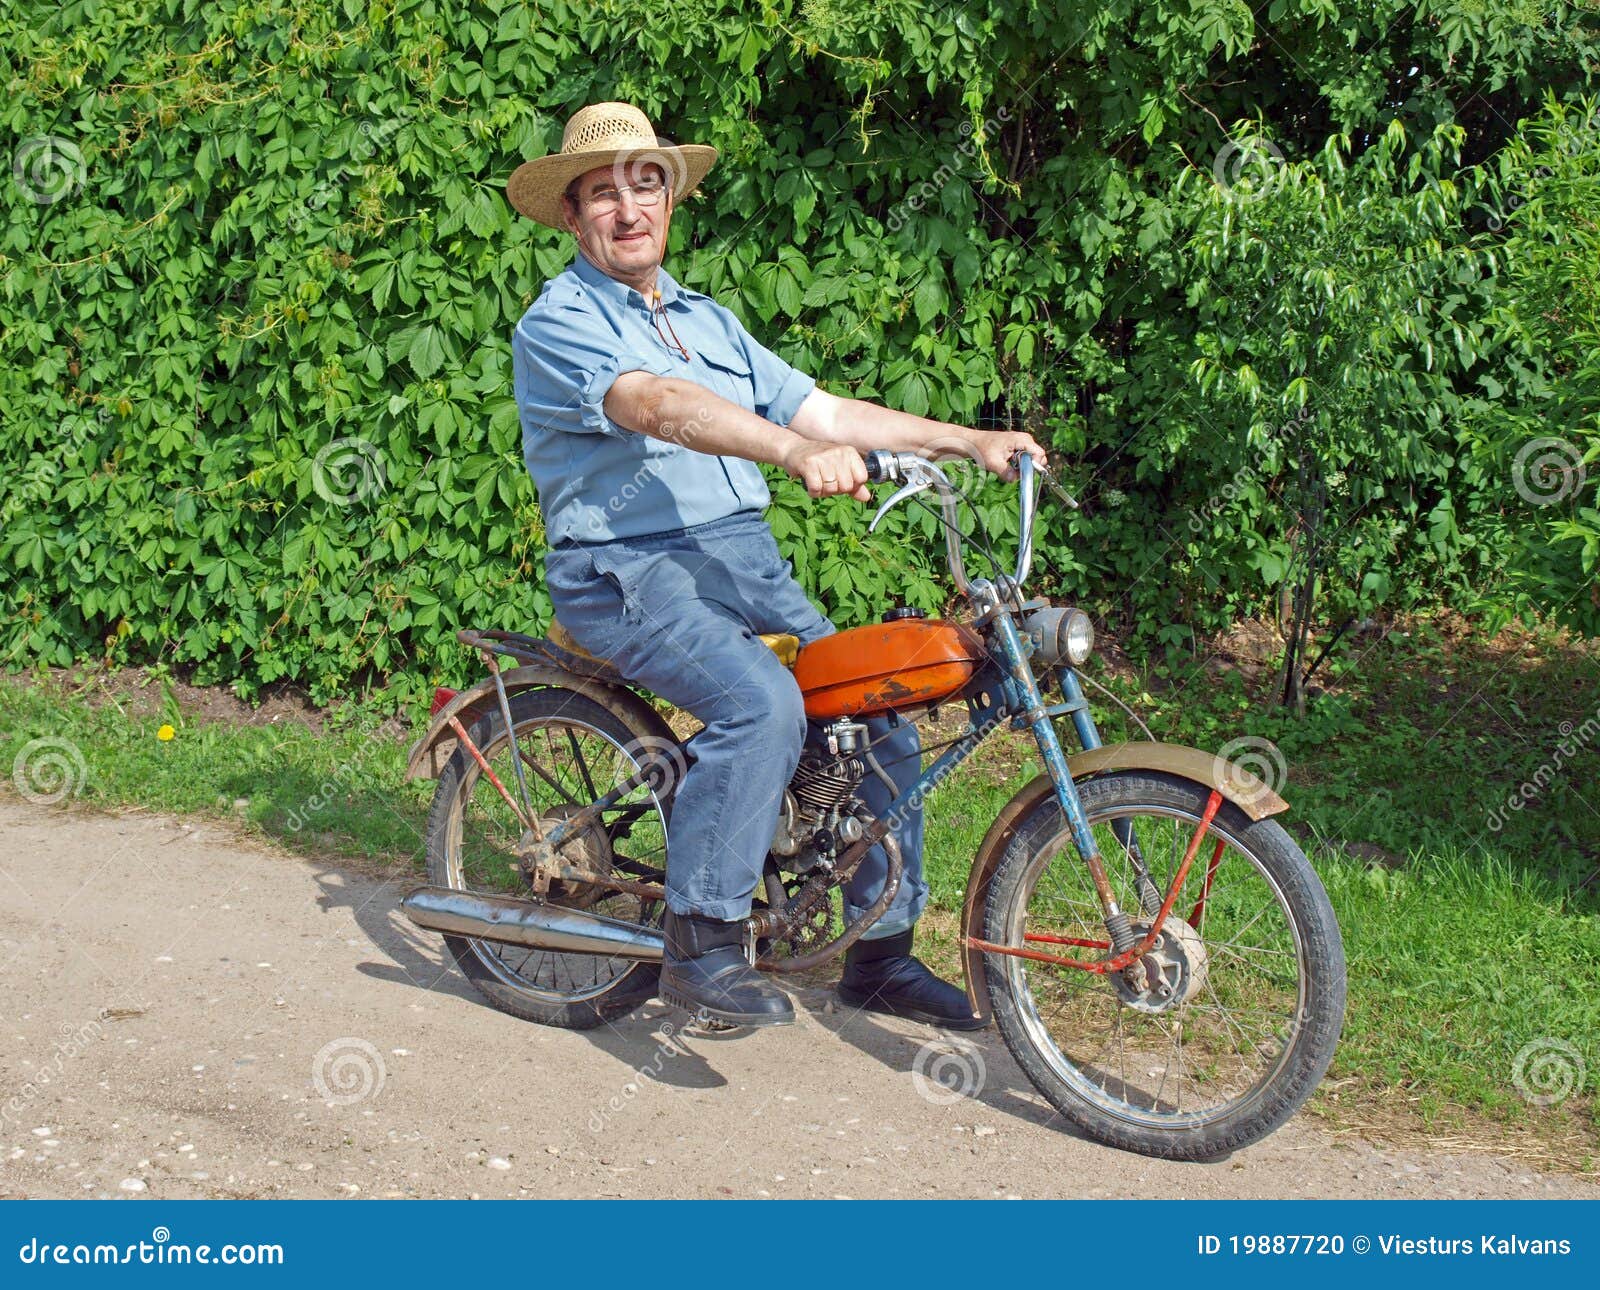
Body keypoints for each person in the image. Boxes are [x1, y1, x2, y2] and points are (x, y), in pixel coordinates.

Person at [507, 103, 1045, 1030]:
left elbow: (823, 411)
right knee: (761, 704)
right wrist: (791, 455)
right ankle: (701, 943)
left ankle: (880, 957)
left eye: (646, 184)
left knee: (878, 706)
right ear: (571, 214)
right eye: (603, 193)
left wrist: (969, 438)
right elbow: (655, 405)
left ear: (669, 199)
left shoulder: (707, 320)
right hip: (625, 570)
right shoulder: (558, 323)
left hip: (739, 559)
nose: (629, 209)